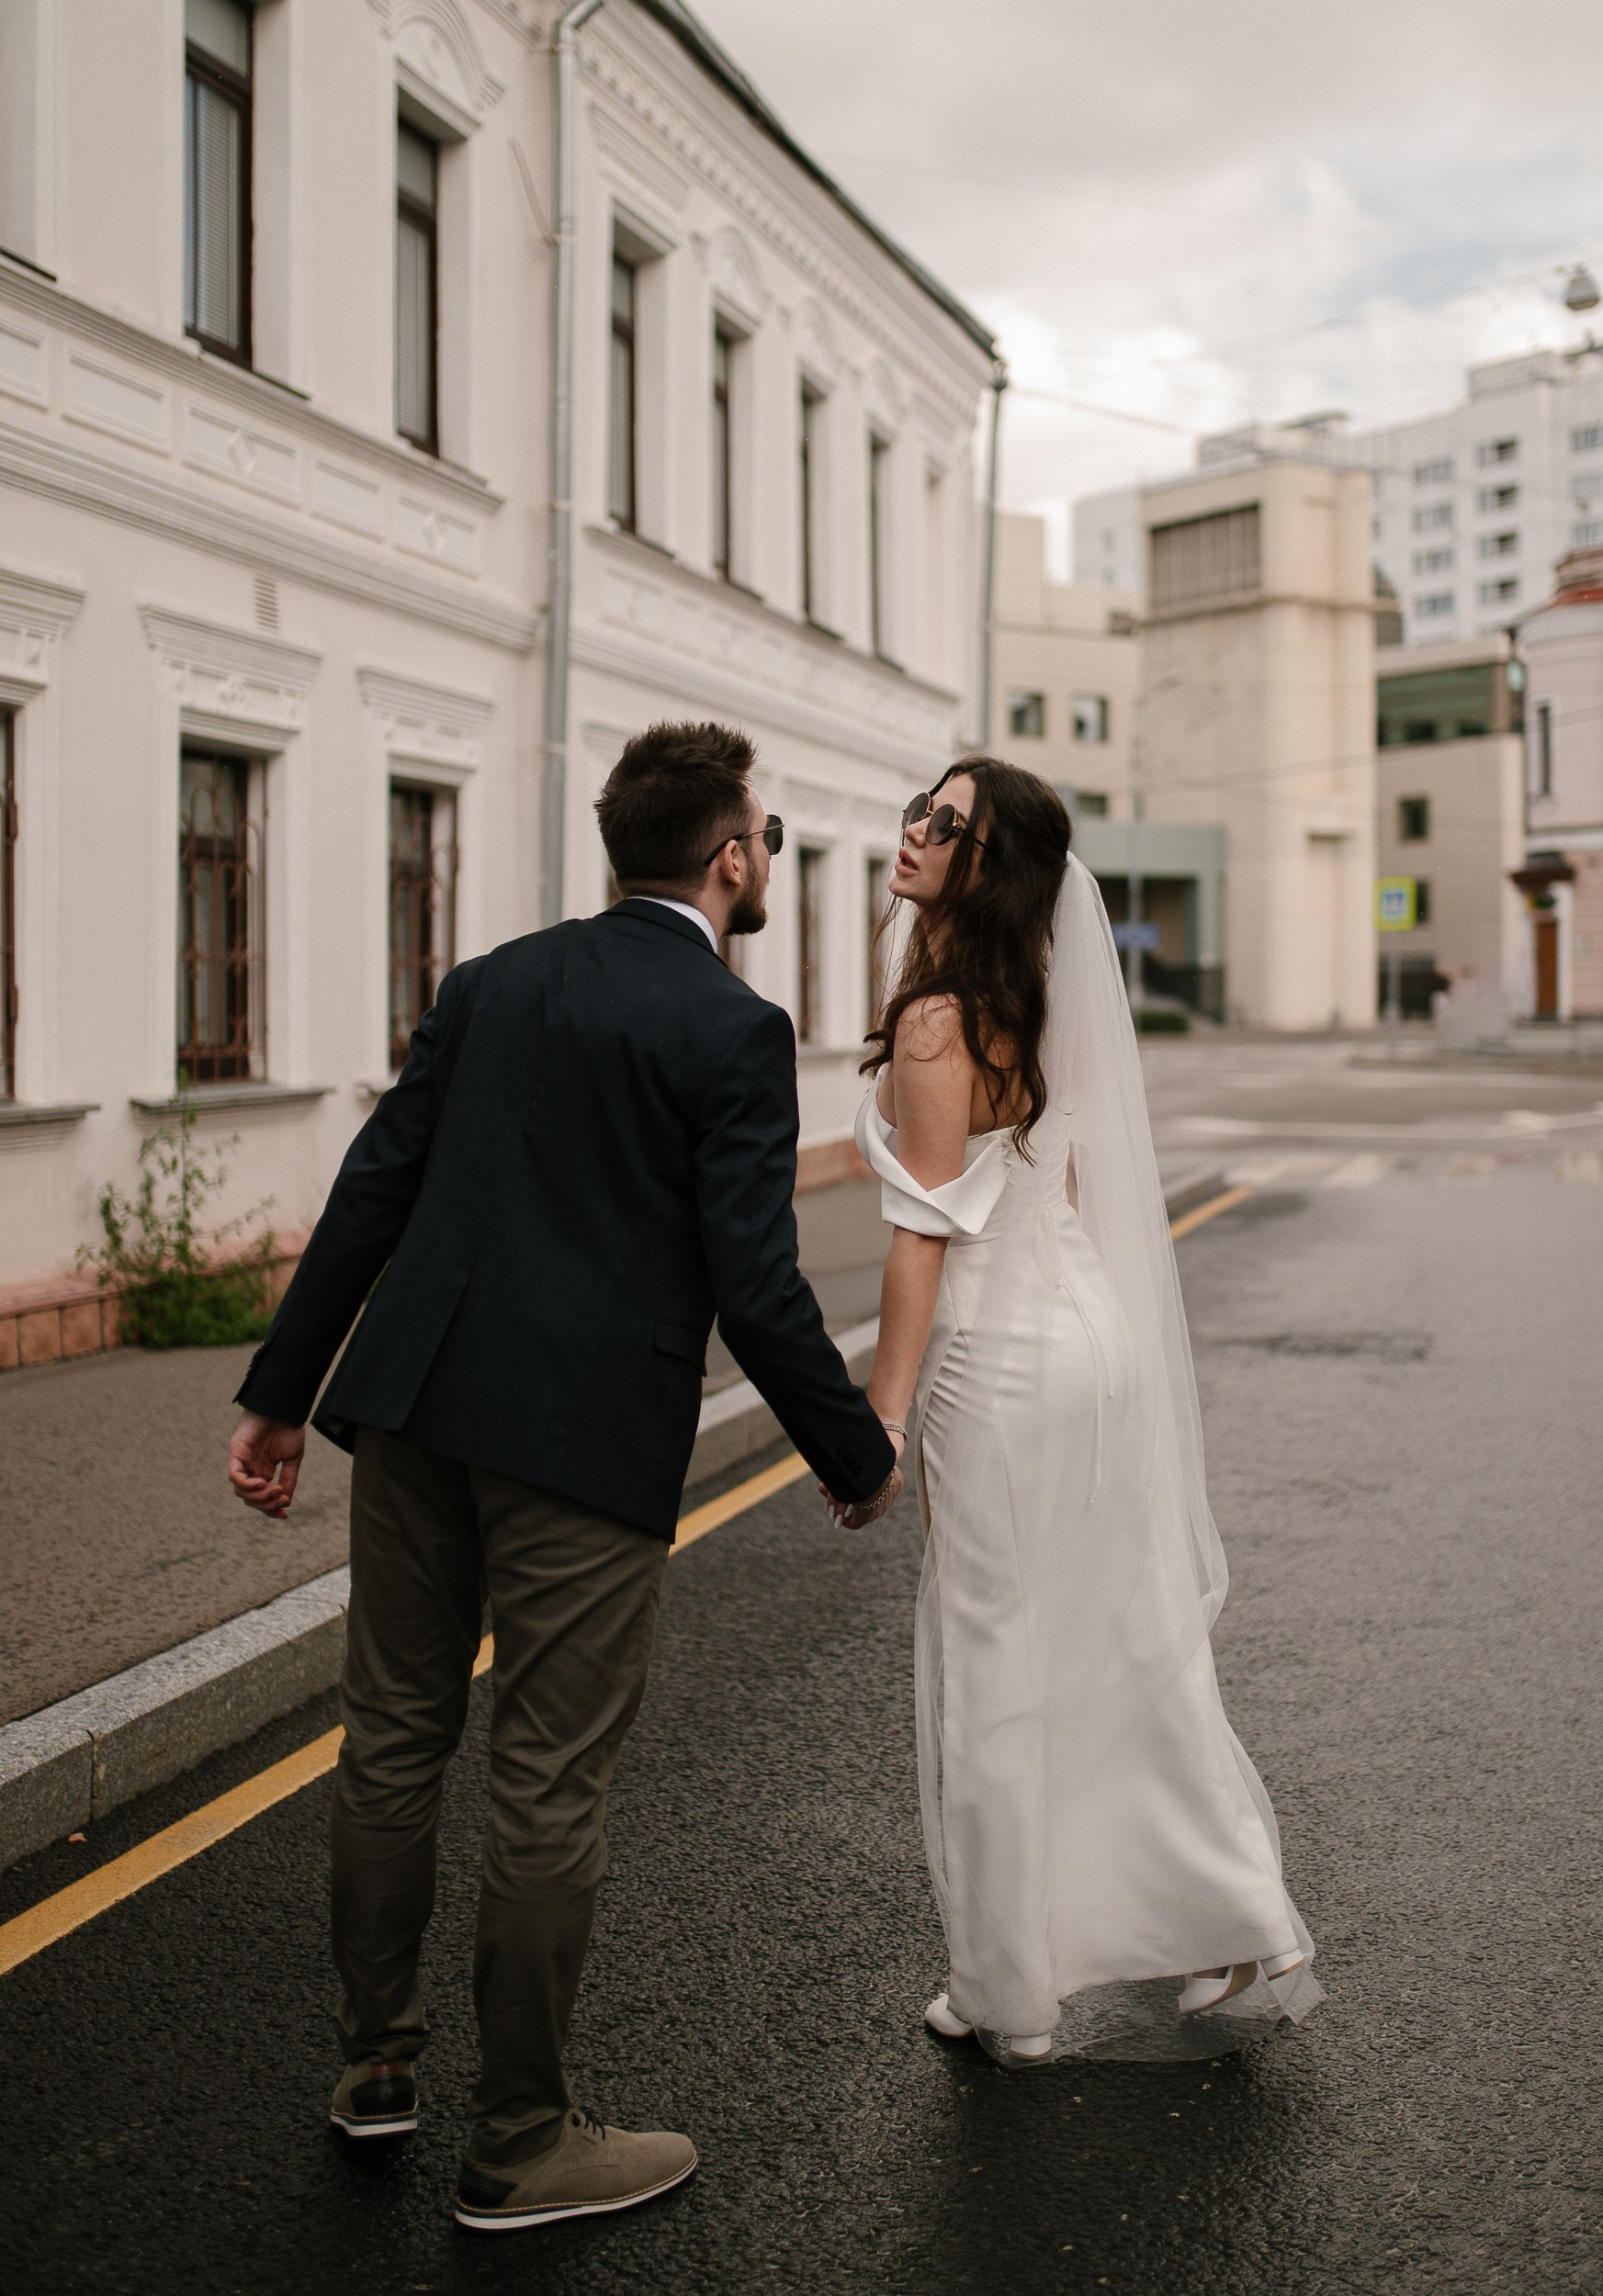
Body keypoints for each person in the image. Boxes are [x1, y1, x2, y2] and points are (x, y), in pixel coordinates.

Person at [226, 721, 901, 2231]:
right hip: (582, 1442)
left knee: (390, 1742)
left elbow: (374, 1187)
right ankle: (522, 2143)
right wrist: (855, 1455)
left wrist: (280, 1393)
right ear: (727, 857)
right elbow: (755, 1284)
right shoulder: (734, 1028)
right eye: (767, 839)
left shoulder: (494, 981)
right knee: (545, 1778)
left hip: (413, 1408)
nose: (768, 860)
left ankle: (374, 2071)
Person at [846, 758, 1323, 2065]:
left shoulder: (939, 1021)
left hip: (1002, 1361)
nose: (917, 831)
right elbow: (1064, 1182)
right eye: (922, 808)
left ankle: (1007, 1992)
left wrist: (880, 1420)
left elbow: (923, 1235)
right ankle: (1235, 1918)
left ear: (986, 867)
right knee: (1121, 1634)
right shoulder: (1037, 995)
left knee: (996, 1658)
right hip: (1088, 1340)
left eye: (948, 825)